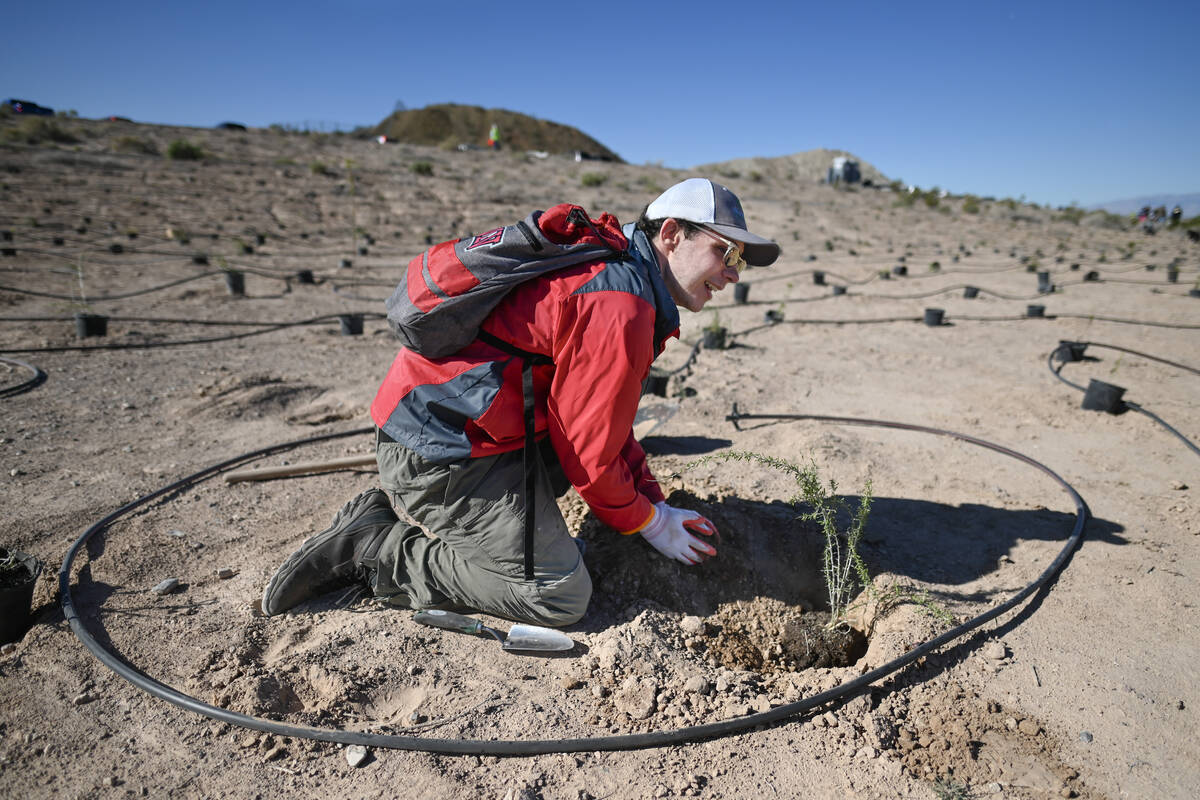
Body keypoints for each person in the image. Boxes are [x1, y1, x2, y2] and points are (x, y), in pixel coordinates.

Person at [261, 178, 780, 626]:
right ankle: (376, 549)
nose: (734, 273)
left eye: (739, 261)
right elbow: (590, 454)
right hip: (440, 450)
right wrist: (647, 521)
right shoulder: (621, 303)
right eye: (725, 252)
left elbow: (605, 425)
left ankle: (507, 534)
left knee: (592, 484)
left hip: (472, 429)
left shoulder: (625, 274)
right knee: (559, 596)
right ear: (671, 234)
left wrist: (652, 501)